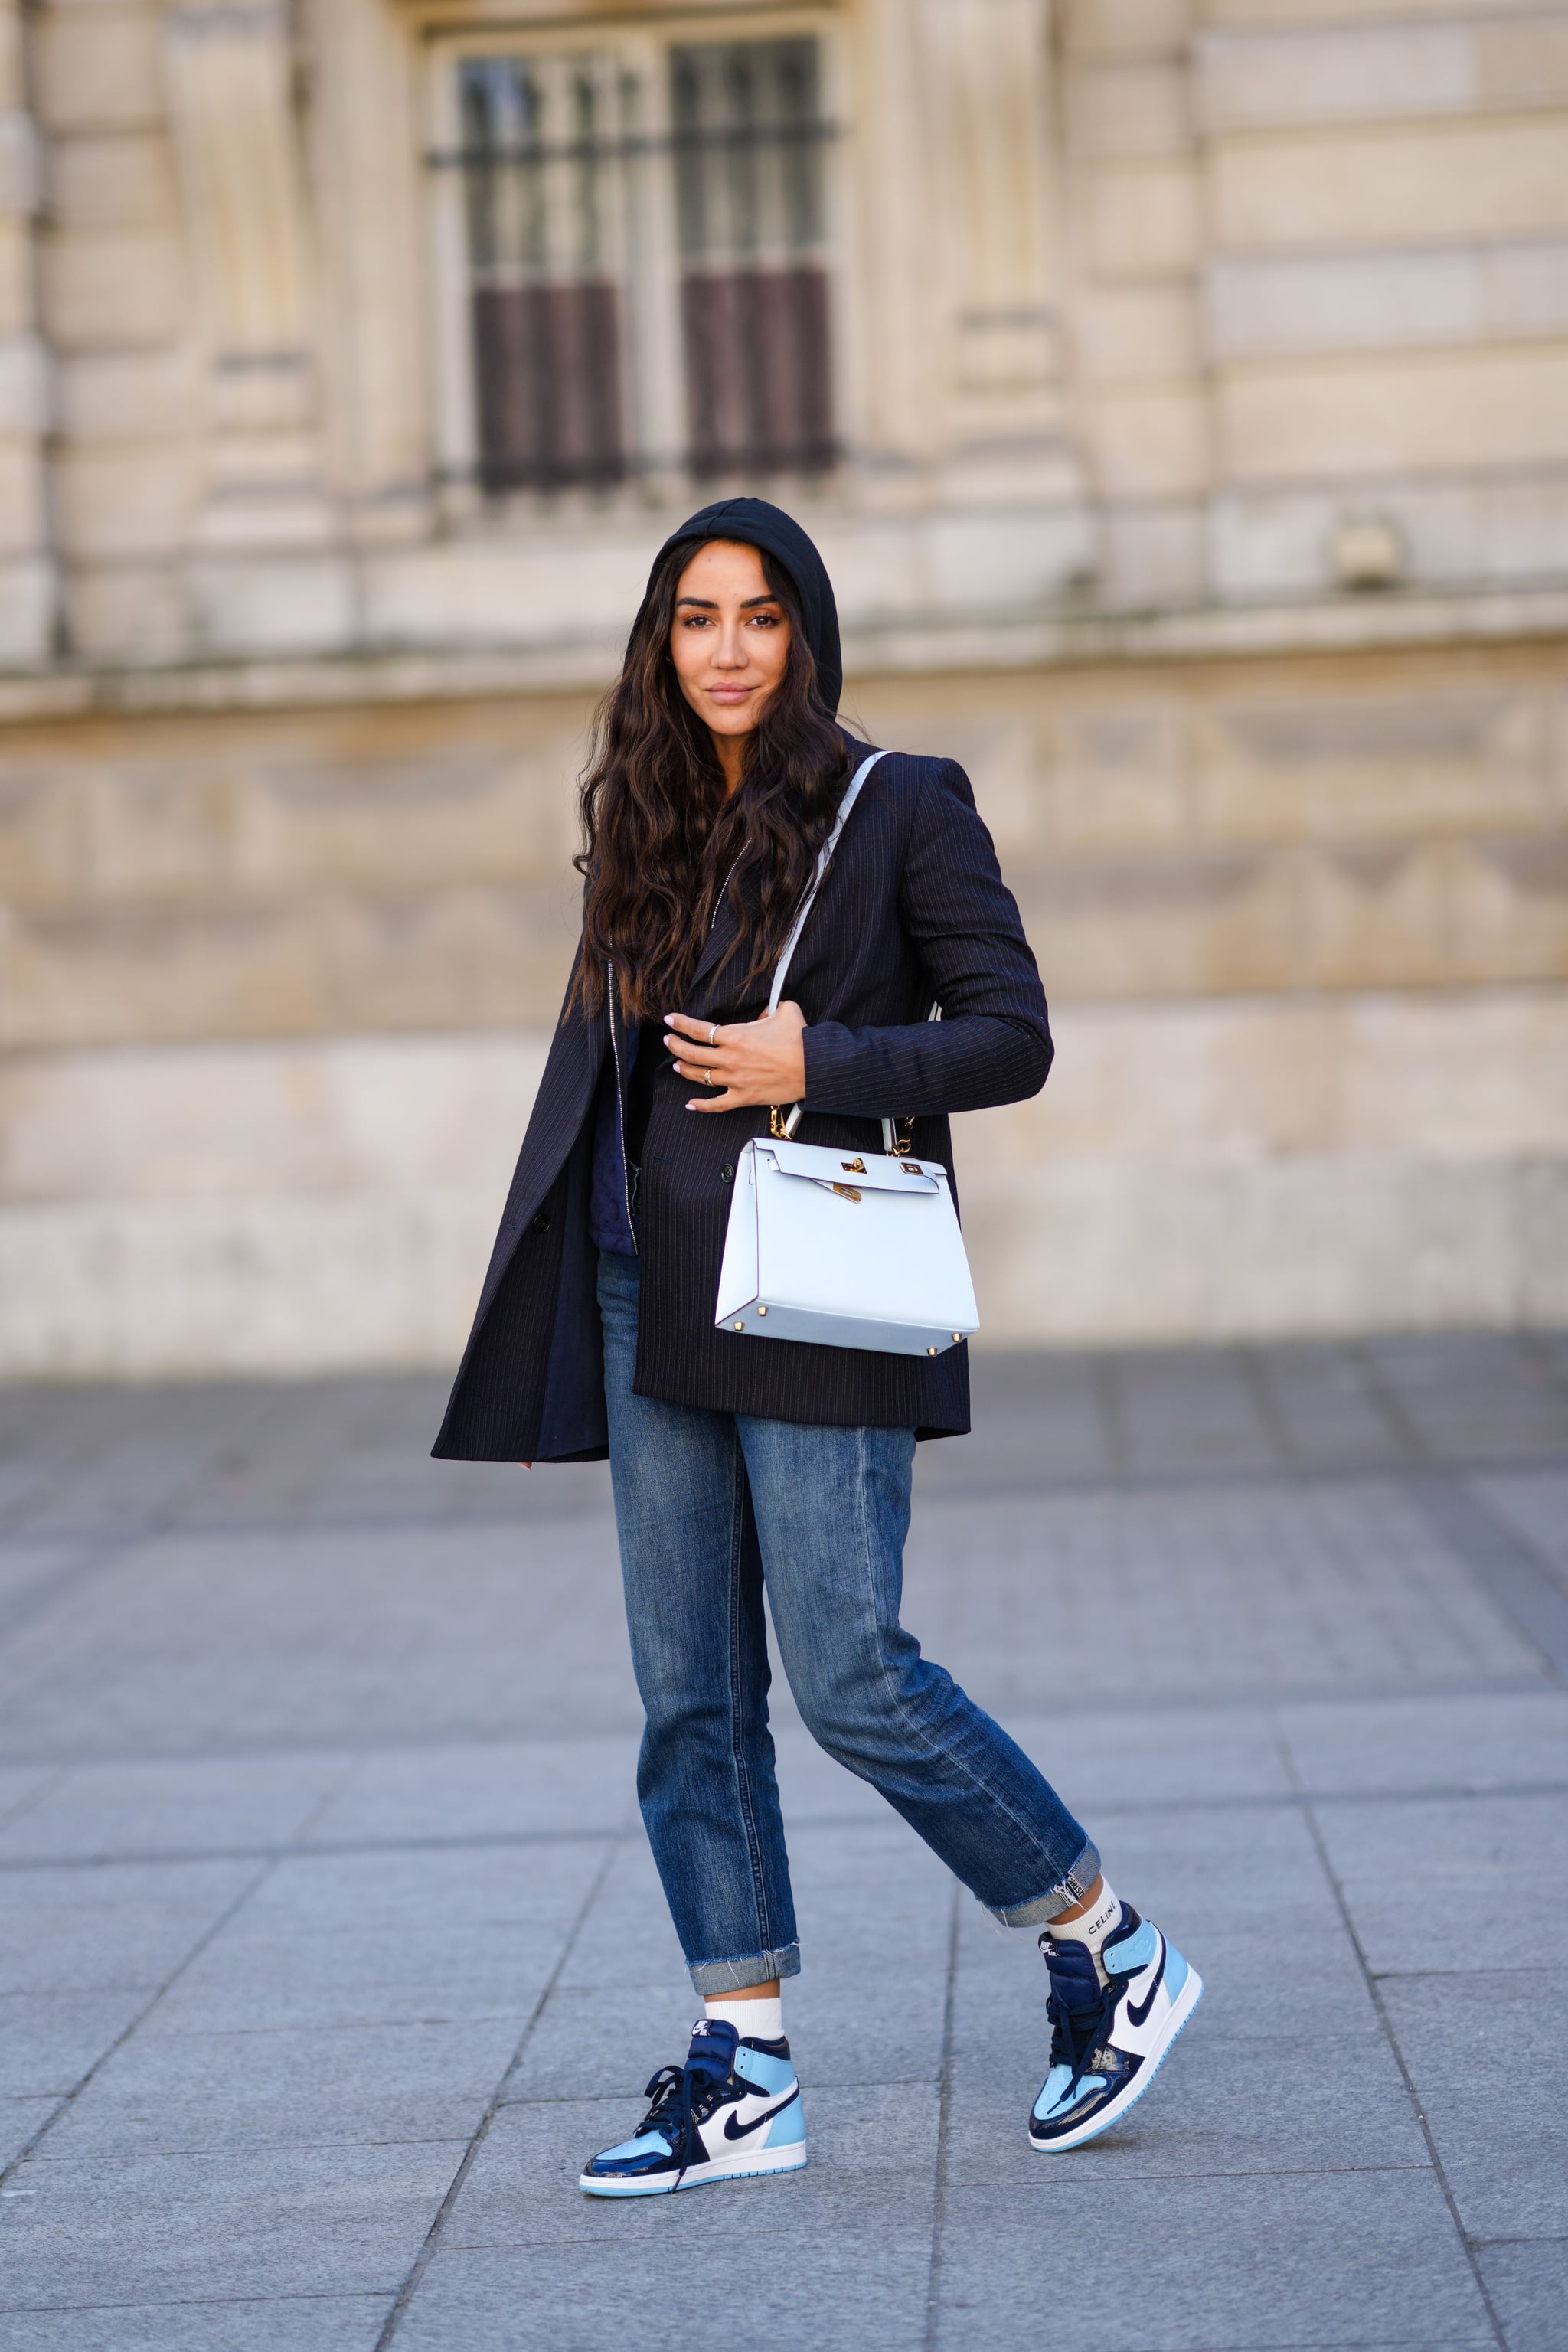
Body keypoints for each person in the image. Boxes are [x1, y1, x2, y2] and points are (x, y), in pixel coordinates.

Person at [433, 498, 1200, 2196]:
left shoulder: (898, 803)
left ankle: (1111, 1944)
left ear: (806, 635)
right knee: (688, 1698)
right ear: (659, 641)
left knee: (853, 1675)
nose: (723, 650)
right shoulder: (638, 818)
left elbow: (1013, 1037)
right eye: (693, 618)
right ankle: (747, 2068)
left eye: (758, 618)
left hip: (810, 1288)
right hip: (649, 1293)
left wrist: (819, 1058)